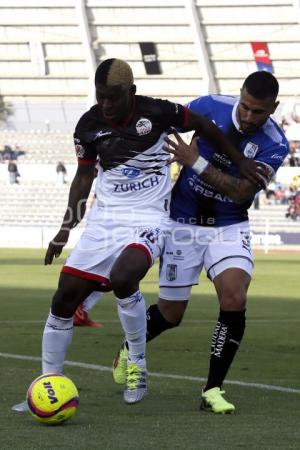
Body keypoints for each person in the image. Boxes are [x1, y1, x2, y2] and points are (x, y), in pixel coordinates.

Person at [12, 58, 261, 412]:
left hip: (150, 218)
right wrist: (64, 229)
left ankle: (138, 367)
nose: (106, 105)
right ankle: (47, 384)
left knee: (124, 277)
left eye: (113, 97)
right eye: (101, 97)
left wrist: (238, 161)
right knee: (63, 299)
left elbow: (206, 125)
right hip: (105, 221)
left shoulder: (158, 112)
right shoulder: (89, 125)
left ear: (131, 92)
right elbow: (84, 179)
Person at [112, 71, 289, 414]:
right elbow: (165, 125)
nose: (251, 118)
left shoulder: (275, 144)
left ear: (274, 108)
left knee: (235, 296)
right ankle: (131, 344)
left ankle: (213, 389)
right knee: (171, 314)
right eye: (247, 108)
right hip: (182, 221)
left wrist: (195, 160)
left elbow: (241, 191)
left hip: (229, 224)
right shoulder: (210, 106)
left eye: (260, 112)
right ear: (239, 95)